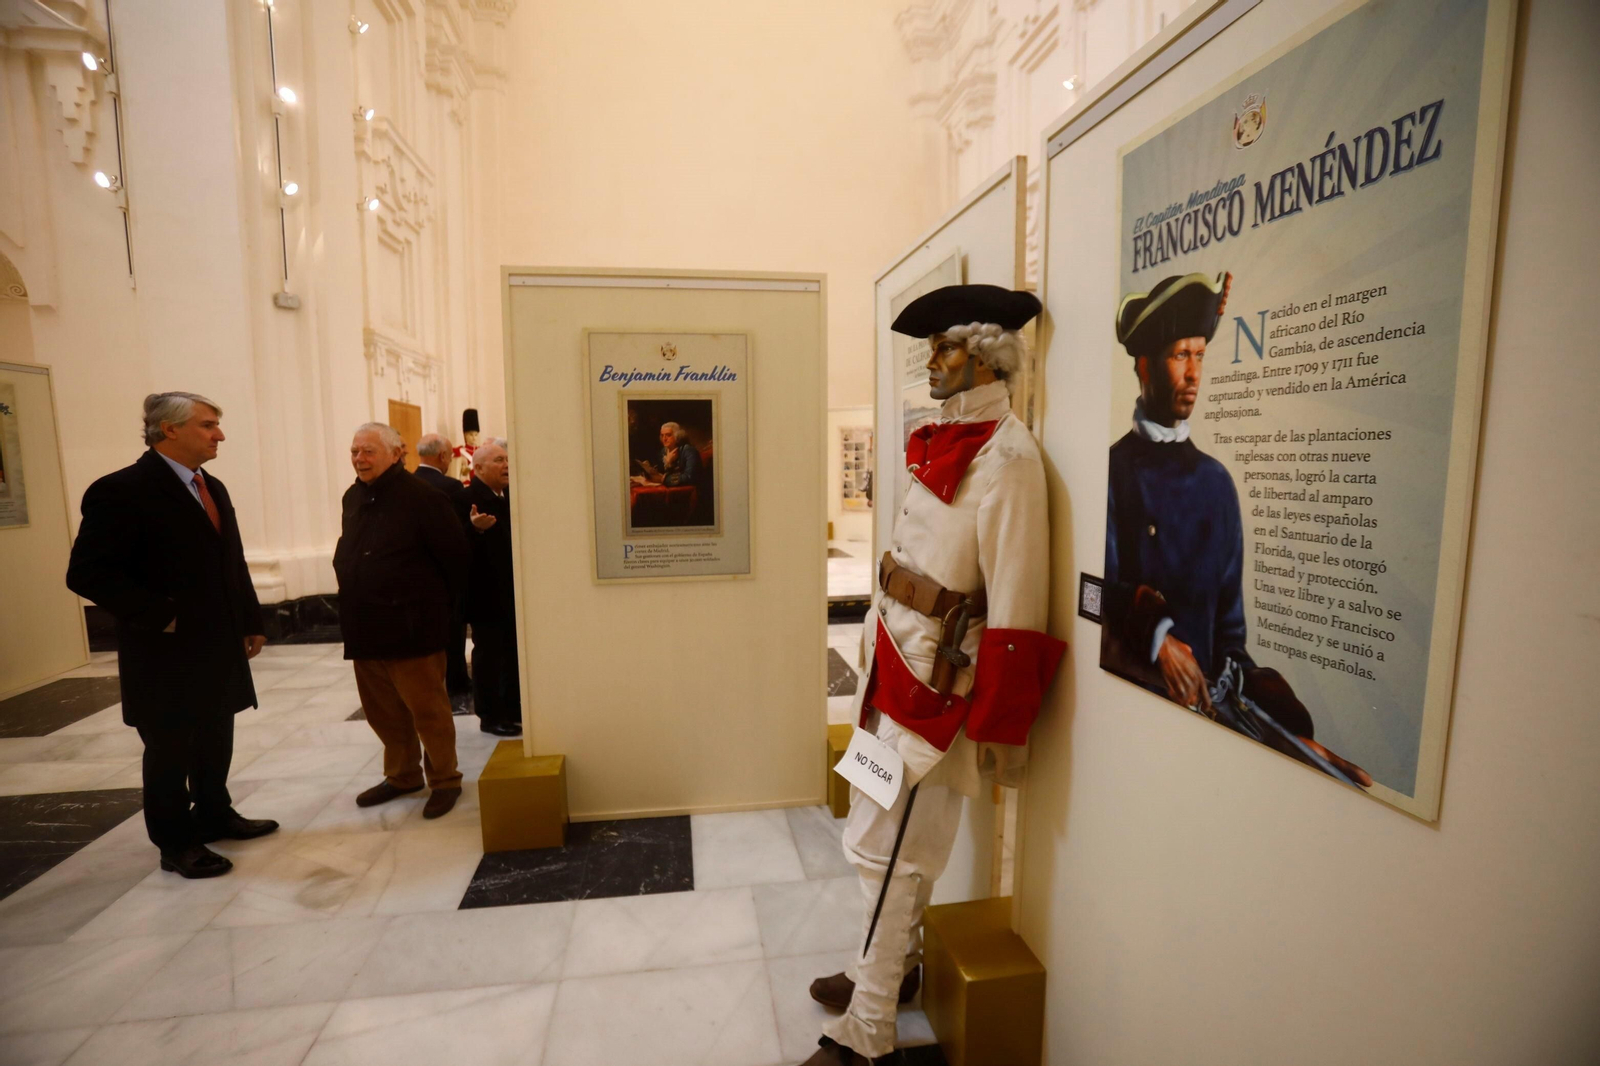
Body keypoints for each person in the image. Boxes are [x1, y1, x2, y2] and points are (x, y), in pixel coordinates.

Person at [803, 285, 1067, 1066]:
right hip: (892, 669)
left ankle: (870, 1028)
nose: (933, 359)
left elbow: (1018, 606)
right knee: (872, 838)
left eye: (947, 346)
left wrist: (1002, 731)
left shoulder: (1010, 461)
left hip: (939, 697)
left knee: (890, 853)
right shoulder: (943, 440)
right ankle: (892, 968)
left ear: (988, 355)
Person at [1104, 271, 1371, 786]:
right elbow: (1104, 594)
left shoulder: (1217, 484)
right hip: (1137, 724)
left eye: (1199, 355)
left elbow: (1229, 639)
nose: (1193, 373)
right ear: (1144, 364)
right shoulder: (1115, 470)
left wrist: (1280, 731)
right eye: (1180, 354)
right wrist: (1159, 637)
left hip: (1211, 727)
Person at [66, 392, 278, 879]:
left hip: (217, 644)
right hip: (164, 651)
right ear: (170, 430)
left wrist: (249, 619)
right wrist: (159, 615)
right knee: (169, 749)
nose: (219, 434)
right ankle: (176, 841)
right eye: (208, 425)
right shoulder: (121, 490)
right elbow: (87, 573)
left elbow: (231, 561)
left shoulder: (212, 486)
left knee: (215, 734)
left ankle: (214, 812)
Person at [335, 422, 470, 819]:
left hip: (412, 626)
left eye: (368, 451)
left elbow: (456, 559)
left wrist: (431, 608)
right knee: (383, 712)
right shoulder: (352, 497)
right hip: (365, 625)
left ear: (397, 453)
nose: (360, 459)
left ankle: (445, 780)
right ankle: (402, 775)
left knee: (428, 711)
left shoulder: (422, 497)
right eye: (355, 451)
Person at [462, 443, 521, 737]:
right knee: (488, 655)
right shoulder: (467, 499)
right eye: (499, 460)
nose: (506, 464)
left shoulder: (509, 496)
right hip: (485, 594)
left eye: (508, 459)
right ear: (479, 468)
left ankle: (511, 708)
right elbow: (455, 546)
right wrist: (474, 528)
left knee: (511, 651)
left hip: (510, 590)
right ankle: (490, 715)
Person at [413, 432, 473, 707]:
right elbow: (458, 534)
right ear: (442, 456)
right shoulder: (450, 487)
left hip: (416, 574)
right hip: (445, 575)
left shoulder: (407, 484)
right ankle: (457, 681)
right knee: (453, 630)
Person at [630, 421, 701, 487]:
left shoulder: (688, 451)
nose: (664, 439)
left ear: (677, 436)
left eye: (668, 435)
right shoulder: (663, 452)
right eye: (662, 435)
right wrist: (650, 469)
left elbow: (689, 477)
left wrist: (664, 477)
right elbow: (660, 474)